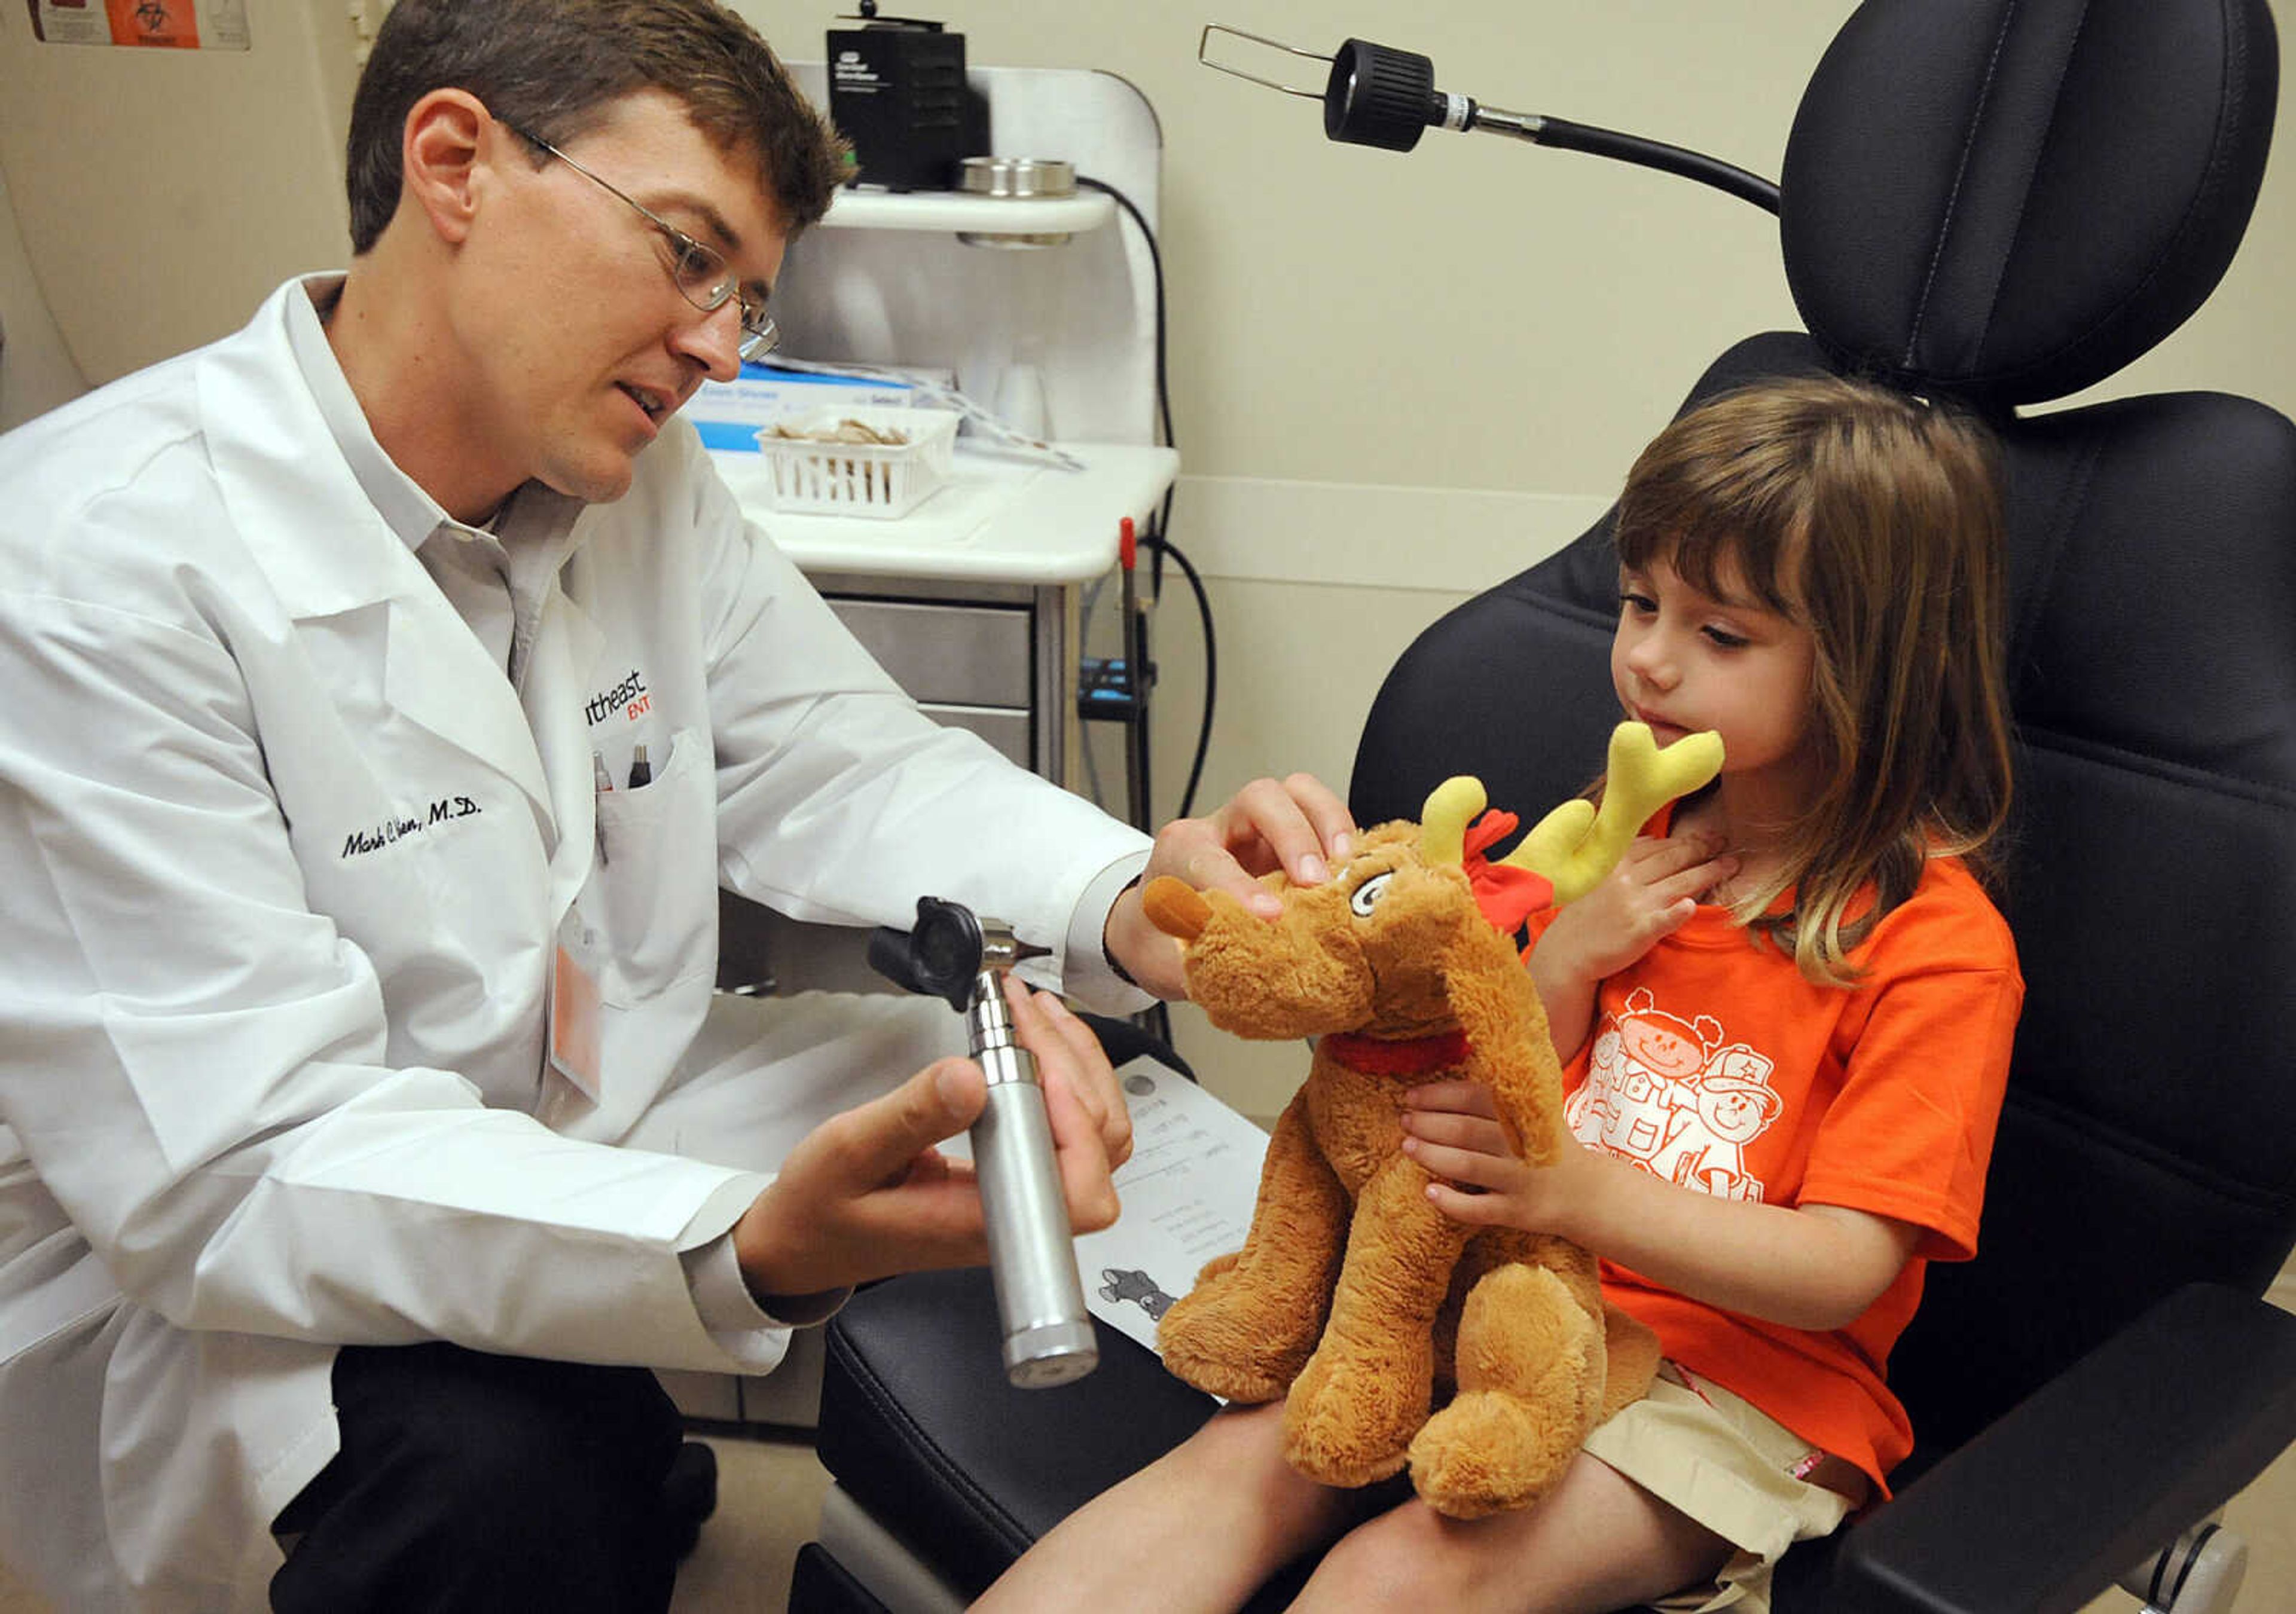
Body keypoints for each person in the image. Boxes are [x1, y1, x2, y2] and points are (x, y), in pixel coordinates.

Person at [0, 2, 1354, 1609]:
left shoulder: (619, 482)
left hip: (568, 1099)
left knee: (1031, 1088)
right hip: (222, 1270)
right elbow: (239, 1169)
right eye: (689, 256)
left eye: (748, 295)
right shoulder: (88, 565)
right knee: (508, 1486)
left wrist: (1140, 900)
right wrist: (747, 1247)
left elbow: (838, 756)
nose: (724, 343)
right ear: (457, 164)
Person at [981, 375, 2023, 1613]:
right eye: (1641, 603)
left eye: (1721, 635)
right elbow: (1504, 1071)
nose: (1647, 657)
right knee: (1244, 1462)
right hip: (1499, 1281)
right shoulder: (1617, 842)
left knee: (1401, 1576)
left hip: (1738, 1387)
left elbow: (1842, 1270)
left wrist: (1579, 1193)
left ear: (1873, 668)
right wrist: (1568, 960)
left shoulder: (1933, 949)